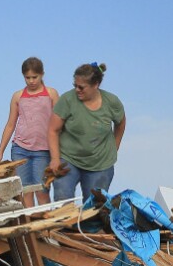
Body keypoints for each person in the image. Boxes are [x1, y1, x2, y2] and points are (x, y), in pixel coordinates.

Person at [47, 62, 126, 202]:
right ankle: (66, 224)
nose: (77, 90)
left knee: (94, 207)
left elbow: (120, 122)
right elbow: (53, 130)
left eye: (81, 87)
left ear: (96, 85)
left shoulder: (112, 102)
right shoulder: (67, 100)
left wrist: (115, 146)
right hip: (69, 159)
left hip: (100, 164)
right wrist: (54, 159)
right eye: (75, 86)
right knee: (62, 198)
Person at [0, 57, 59, 207]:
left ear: (42, 74)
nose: (31, 81)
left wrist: (59, 153)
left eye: (34, 77)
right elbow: (11, 124)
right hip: (20, 148)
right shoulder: (18, 96)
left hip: (43, 149)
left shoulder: (51, 94)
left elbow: (59, 124)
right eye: (27, 77)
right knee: (25, 191)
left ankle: (45, 224)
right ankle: (31, 228)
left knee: (42, 190)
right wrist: (0, 151)